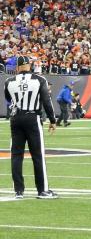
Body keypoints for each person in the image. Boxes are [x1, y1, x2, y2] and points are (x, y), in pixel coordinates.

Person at [3, 56, 58, 199]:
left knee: (16, 155)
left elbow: (8, 99)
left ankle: (18, 191)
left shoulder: (9, 81)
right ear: (29, 65)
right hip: (32, 117)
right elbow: (46, 100)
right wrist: (52, 120)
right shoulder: (39, 80)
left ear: (18, 67)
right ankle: (42, 190)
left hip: (15, 119)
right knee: (37, 155)